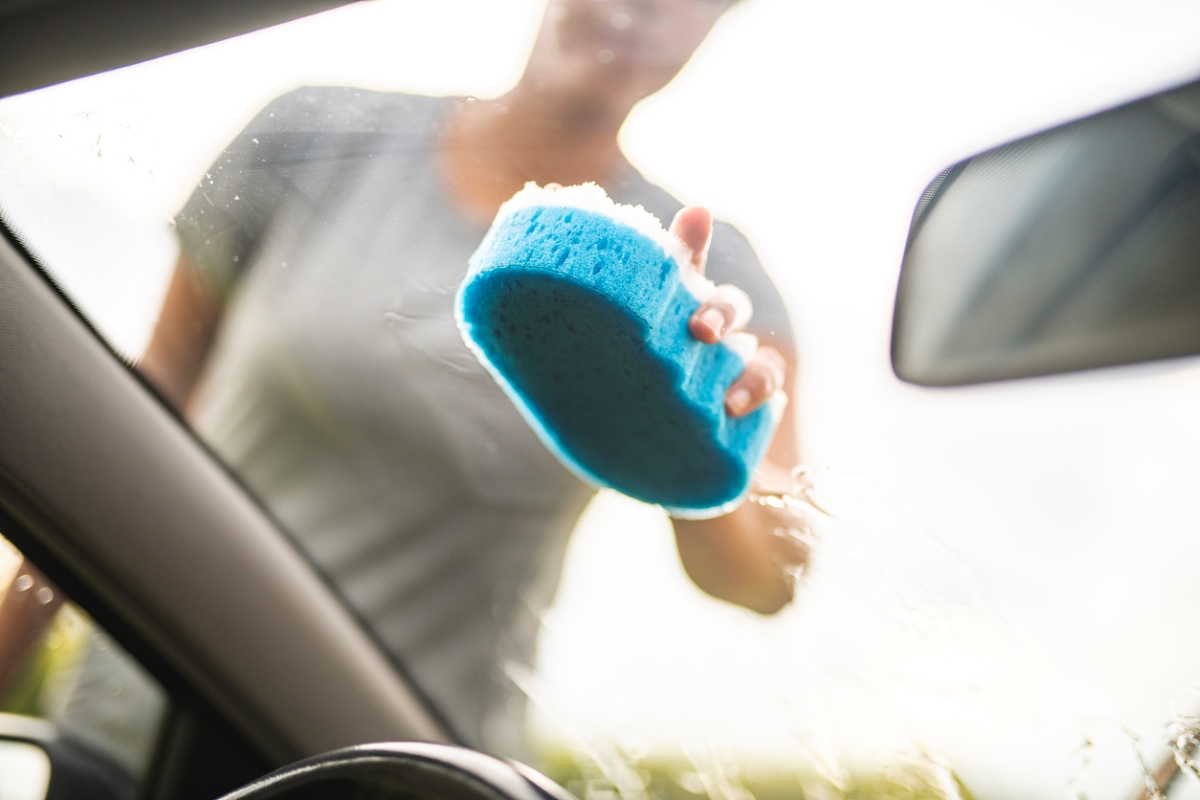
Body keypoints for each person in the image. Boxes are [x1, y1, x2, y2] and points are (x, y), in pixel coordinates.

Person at [139, 0, 806, 758]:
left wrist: (683, 429)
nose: (646, 6)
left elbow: (768, 580)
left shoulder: (713, 280)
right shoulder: (321, 136)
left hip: (402, 764)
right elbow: (126, 417)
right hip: (137, 717)